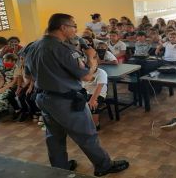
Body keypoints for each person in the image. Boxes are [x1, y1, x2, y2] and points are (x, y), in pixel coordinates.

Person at [23, 13, 129, 176]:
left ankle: (60, 168)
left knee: (54, 136)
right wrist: (92, 60)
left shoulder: (33, 46)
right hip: (65, 101)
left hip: (44, 98)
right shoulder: (62, 49)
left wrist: (51, 76)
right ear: (63, 28)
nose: (75, 30)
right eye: (73, 26)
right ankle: (104, 166)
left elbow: (28, 76)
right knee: (87, 134)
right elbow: (86, 76)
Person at [0, 53, 21, 121]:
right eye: (4, 60)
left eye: (7, 60)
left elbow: (14, 81)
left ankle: (11, 110)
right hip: (3, 85)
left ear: (14, 61)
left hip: (12, 86)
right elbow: (2, 79)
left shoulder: (16, 68)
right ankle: (0, 110)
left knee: (2, 96)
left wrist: (4, 89)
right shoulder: (2, 68)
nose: (5, 62)